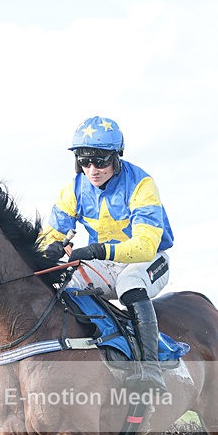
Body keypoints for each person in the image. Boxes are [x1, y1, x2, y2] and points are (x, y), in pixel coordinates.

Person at [40, 115, 174, 391]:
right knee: (63, 286)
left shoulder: (141, 185)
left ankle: (151, 368)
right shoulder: (74, 189)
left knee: (130, 283)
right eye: (84, 161)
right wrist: (49, 248)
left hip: (149, 260)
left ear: (116, 157)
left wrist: (95, 249)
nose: (92, 169)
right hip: (106, 263)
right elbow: (51, 234)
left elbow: (144, 246)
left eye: (100, 161)